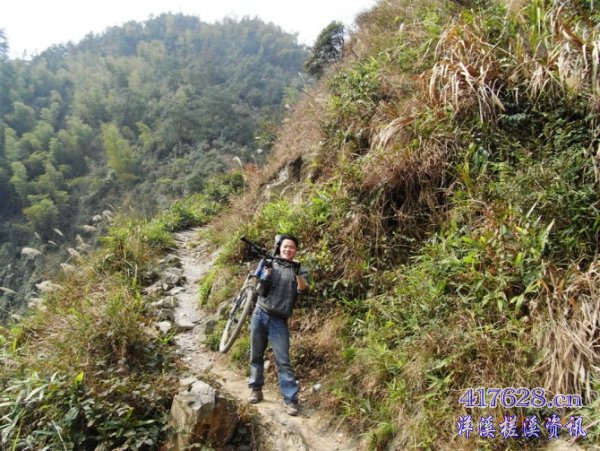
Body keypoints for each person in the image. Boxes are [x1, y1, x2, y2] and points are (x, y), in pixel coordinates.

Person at [247, 234, 309, 416]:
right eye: (285, 246)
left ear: (295, 250)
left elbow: (303, 290)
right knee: (256, 354)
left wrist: (298, 274)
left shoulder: (299, 268)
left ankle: (290, 400)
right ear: (279, 248)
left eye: (292, 247)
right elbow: (257, 284)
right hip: (260, 313)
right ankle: (255, 389)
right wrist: (265, 272)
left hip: (279, 320)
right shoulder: (269, 261)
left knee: (283, 361)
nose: (288, 249)